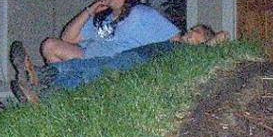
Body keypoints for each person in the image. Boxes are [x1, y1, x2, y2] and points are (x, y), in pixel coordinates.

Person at [11, 24, 230, 102]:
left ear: (205, 41)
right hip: (132, 58)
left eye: (197, 33)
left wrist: (207, 43)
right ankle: (41, 80)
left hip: (138, 64)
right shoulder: (174, 43)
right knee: (87, 67)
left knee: (92, 73)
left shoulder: (192, 54)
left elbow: (223, 36)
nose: (190, 32)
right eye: (192, 30)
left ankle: (45, 87)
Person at [40, 0, 179, 64]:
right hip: (89, 59)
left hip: (114, 65)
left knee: (62, 71)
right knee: (49, 46)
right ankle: (56, 86)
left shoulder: (141, 13)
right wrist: (89, 11)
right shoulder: (102, 17)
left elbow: (175, 40)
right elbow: (67, 38)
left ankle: (45, 79)